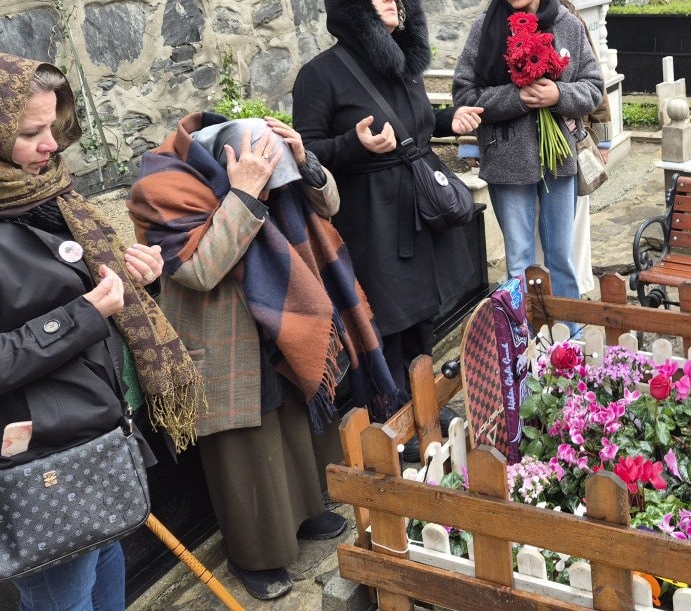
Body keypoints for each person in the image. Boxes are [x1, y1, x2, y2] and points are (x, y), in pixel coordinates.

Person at [128, 114, 398, 601]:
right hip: (223, 336)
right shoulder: (160, 188)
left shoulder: (260, 161)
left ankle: (307, 512)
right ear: (226, 159)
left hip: (284, 313)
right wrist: (245, 193)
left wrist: (305, 162)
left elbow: (327, 207)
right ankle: (256, 554)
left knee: (294, 423)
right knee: (246, 451)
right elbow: (200, 270)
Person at [0, 53, 201, 611]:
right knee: (64, 599)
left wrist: (135, 281)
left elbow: (79, 298)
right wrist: (85, 312)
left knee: (107, 562)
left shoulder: (47, 197)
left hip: (96, 435)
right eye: (29, 133)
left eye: (53, 127)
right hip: (40, 460)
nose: (51, 146)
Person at [292, 0, 482, 444]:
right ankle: (395, 423)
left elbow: (413, 124)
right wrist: (353, 145)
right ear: (353, 7)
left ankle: (423, 409)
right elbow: (304, 154)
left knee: (422, 318)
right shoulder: (319, 75)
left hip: (418, 211)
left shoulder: (400, 64)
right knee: (389, 324)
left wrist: (448, 120)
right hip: (372, 222)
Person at [452, 0, 604, 299]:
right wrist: (516, 97)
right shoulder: (485, 29)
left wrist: (559, 95)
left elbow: (594, 88)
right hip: (506, 157)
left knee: (561, 257)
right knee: (518, 260)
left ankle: (570, 331)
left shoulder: (567, 25)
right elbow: (465, 95)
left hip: (559, 157)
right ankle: (520, 332)